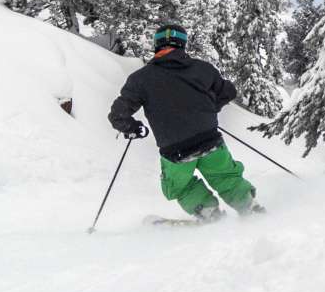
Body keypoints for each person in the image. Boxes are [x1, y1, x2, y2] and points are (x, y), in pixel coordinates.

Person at [108, 22, 262, 220]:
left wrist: (134, 128)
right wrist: (208, 108)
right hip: (210, 140)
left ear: (157, 45)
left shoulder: (140, 79)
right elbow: (228, 91)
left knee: (179, 186)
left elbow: (118, 114)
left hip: (176, 150)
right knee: (225, 177)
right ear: (183, 44)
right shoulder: (202, 69)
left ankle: (210, 213)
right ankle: (250, 208)